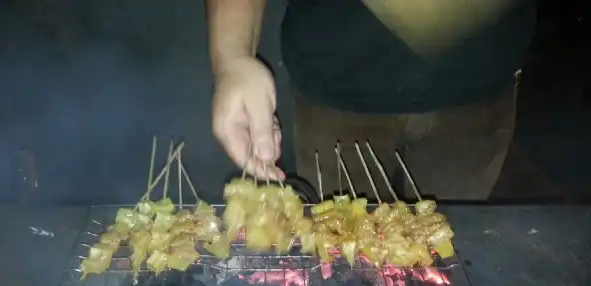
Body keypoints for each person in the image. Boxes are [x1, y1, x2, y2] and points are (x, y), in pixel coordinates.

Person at [206, 0, 536, 200]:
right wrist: (233, 58)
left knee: (447, 258)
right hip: (335, 92)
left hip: (479, 90)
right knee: (341, 261)